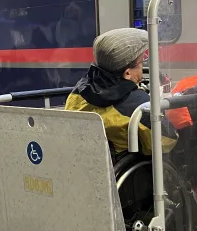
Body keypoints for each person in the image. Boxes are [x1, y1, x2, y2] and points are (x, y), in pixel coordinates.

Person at [65, 27, 176, 159]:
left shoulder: (78, 92)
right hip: (130, 175)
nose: (142, 67)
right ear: (127, 73)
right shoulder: (139, 107)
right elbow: (167, 141)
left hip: (88, 167)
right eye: (141, 63)